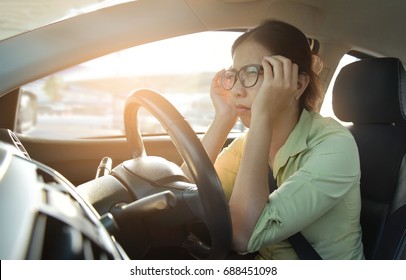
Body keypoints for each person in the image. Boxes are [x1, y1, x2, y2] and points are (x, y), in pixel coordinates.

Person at [199, 20, 364, 259]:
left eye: (252, 73)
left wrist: (262, 116)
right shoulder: (247, 144)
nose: (235, 89)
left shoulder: (335, 145)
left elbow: (242, 236)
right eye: (234, 75)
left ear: (296, 84)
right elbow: (187, 192)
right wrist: (223, 119)